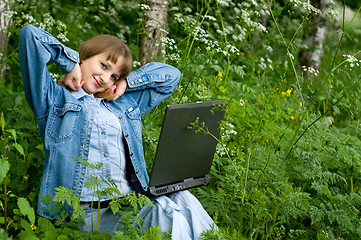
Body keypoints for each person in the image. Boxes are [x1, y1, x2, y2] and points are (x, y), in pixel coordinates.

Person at [19, 24, 215, 239]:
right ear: (84, 56)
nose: (105, 78)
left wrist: (127, 83)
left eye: (113, 76)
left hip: (127, 202)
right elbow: (31, 36)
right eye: (103, 65)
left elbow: (171, 76)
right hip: (85, 213)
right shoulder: (52, 100)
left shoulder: (122, 104)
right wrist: (70, 64)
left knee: (183, 199)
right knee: (167, 216)